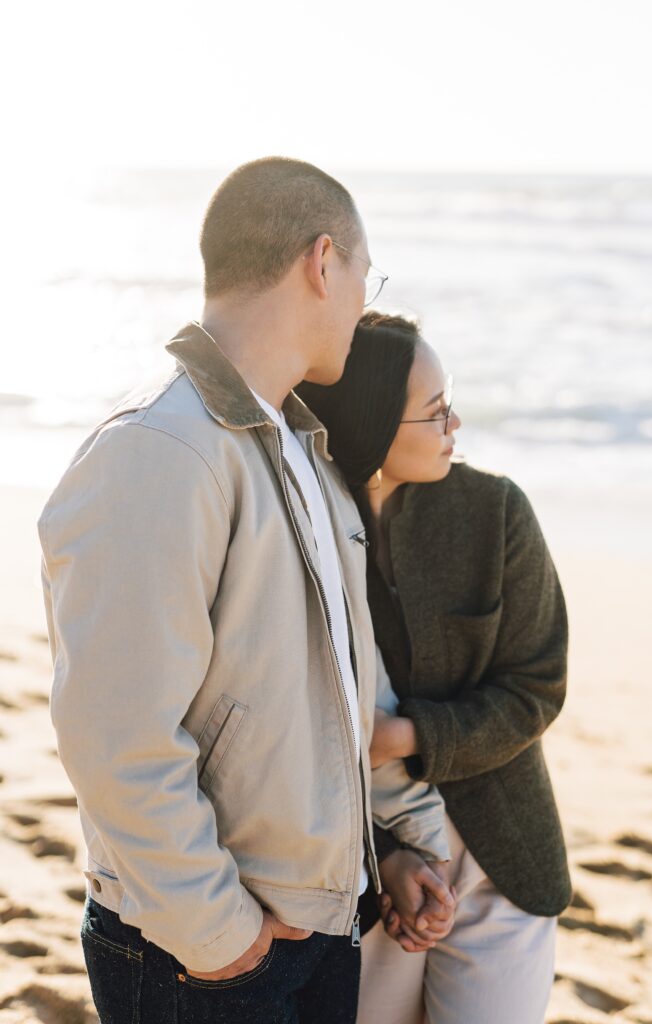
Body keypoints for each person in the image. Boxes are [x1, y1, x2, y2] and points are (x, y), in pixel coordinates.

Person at [37, 160, 456, 1024]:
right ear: (322, 261)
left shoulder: (303, 448)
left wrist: (388, 847)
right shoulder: (160, 449)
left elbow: (336, 693)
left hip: (312, 927)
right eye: (362, 277)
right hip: (204, 955)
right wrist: (220, 933)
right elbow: (115, 734)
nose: (358, 301)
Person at [296, 311, 573, 1024]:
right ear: (371, 428)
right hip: (369, 866)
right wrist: (388, 854)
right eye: (434, 410)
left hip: (501, 859)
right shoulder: (307, 532)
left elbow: (535, 688)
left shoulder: (496, 511)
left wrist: (411, 735)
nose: (455, 422)